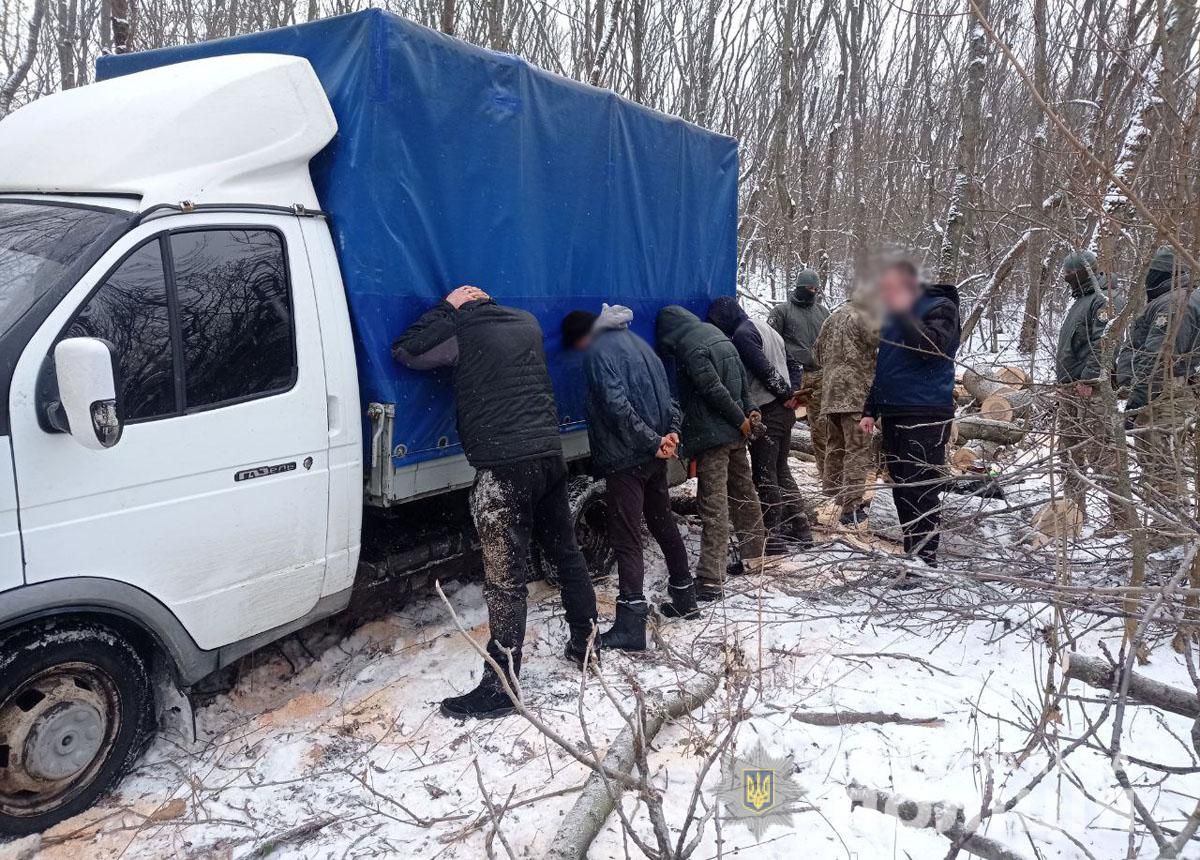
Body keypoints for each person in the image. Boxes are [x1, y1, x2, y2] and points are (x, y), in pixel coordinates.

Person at [393, 285, 598, 719]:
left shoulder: (462, 330)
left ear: (464, 307)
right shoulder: (527, 323)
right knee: (566, 553)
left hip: (505, 467)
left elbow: (408, 352)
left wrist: (447, 307)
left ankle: (502, 687)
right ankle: (586, 643)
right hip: (548, 454)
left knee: (505, 580)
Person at [561, 305, 699, 650]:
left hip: (628, 458)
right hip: (653, 455)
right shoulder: (639, 343)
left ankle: (630, 625)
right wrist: (671, 435)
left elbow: (616, 407)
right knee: (662, 521)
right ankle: (684, 596)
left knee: (626, 537)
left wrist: (653, 442)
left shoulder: (597, 352)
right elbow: (669, 400)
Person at [656, 305, 767, 601]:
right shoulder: (720, 337)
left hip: (713, 437)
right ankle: (755, 556)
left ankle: (710, 579)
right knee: (744, 493)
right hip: (733, 436)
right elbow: (742, 384)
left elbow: (713, 390)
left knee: (713, 506)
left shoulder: (691, 347)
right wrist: (751, 411)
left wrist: (741, 419)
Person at [859, 261, 961, 567]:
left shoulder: (941, 306)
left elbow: (931, 346)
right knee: (901, 489)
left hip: (926, 411)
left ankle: (925, 560)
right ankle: (911, 554)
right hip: (894, 412)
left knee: (921, 489)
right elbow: (886, 367)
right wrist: (870, 409)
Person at [707, 296, 814, 552]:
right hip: (783, 410)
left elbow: (764, 369)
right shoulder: (766, 327)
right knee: (780, 470)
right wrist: (793, 392)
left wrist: (787, 395)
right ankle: (800, 528)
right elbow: (793, 363)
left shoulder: (743, 335)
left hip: (767, 410)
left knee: (765, 474)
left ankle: (773, 536)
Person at [1116, 246, 1199, 524]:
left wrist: (1136, 402)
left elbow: (1157, 358)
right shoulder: (1183, 298)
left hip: (1164, 393)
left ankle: (1168, 530)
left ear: (1158, 274)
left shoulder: (1172, 305)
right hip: (1175, 389)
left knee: (1160, 463)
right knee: (1167, 460)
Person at [1053, 250, 1127, 535]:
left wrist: (1089, 379)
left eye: (1072, 276)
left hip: (1090, 392)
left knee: (1103, 455)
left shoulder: (1103, 299)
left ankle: (1121, 518)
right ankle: (1074, 515)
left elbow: (1105, 343)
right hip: (1069, 389)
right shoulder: (1080, 301)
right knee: (1069, 455)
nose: (1068, 281)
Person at [814, 282, 880, 527]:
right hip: (856, 396)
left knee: (836, 445)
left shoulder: (831, 318)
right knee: (857, 449)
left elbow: (816, 353)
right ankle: (850, 507)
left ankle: (832, 495)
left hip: (830, 394)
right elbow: (887, 348)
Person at [768, 269, 831, 489]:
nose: (812, 292)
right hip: (789, 375)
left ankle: (827, 478)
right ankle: (777, 475)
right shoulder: (782, 311)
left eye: (815, 289)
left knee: (823, 428)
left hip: (819, 374)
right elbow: (770, 342)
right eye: (809, 289)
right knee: (781, 425)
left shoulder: (823, 312)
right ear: (799, 288)